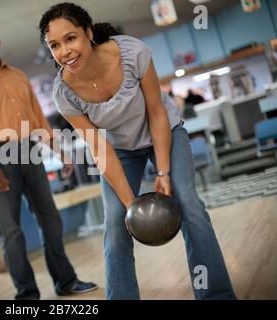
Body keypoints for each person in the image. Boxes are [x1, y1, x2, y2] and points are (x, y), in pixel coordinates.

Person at [39, 3, 236, 300]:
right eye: (54, 45)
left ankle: (216, 295)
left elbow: (157, 113)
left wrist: (164, 173)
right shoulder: (63, 92)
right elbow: (98, 147)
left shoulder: (132, 53)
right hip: (120, 148)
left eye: (70, 38)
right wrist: (132, 206)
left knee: (188, 203)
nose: (64, 51)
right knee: (116, 222)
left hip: (164, 131)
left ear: (88, 33)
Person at [0, 24, 97, 300]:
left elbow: (37, 119)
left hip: (29, 151)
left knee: (51, 219)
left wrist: (57, 151)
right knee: (11, 231)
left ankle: (65, 281)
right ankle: (26, 292)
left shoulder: (18, 75)